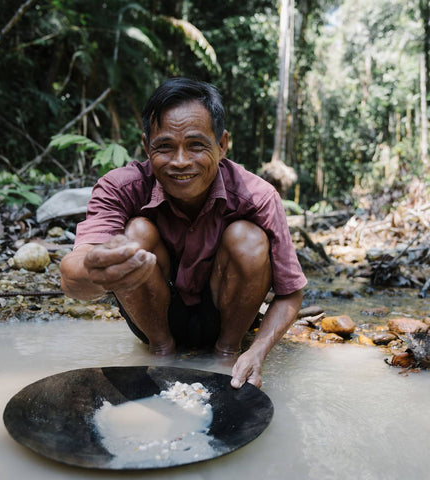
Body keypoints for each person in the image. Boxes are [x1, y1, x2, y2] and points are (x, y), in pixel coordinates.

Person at [60, 77, 307, 389]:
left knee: (248, 238)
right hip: (154, 320)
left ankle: (227, 355)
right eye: (164, 147)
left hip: (225, 318)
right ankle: (161, 353)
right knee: (136, 231)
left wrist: (257, 352)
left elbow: (290, 293)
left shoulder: (258, 196)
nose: (179, 162)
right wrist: (95, 271)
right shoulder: (119, 187)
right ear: (146, 147)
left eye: (196, 146)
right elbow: (72, 275)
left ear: (222, 145)